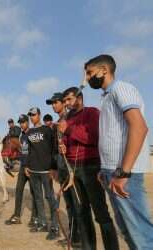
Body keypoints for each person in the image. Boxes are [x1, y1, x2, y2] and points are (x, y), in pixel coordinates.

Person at [84, 54, 153, 249]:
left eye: (90, 73)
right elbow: (112, 135)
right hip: (111, 172)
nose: (87, 78)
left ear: (104, 70)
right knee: (127, 230)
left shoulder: (121, 89)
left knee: (141, 234)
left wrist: (124, 172)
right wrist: (104, 169)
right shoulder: (106, 96)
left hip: (124, 174)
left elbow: (139, 127)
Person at [59, 87, 119, 250]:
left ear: (79, 98)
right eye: (64, 101)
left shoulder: (92, 113)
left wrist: (69, 129)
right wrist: (63, 145)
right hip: (73, 169)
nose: (67, 103)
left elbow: (94, 138)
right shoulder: (67, 118)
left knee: (100, 213)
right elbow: (67, 140)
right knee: (81, 212)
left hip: (90, 166)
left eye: (69, 99)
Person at [46, 92, 80, 247]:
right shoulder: (57, 122)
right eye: (52, 103)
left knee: (76, 203)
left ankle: (78, 237)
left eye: (56, 102)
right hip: (61, 168)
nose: (54, 105)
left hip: (71, 167)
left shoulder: (70, 118)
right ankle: (74, 236)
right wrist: (53, 167)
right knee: (69, 204)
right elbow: (54, 148)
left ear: (63, 103)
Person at [25, 107, 60, 240]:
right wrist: (27, 166)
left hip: (46, 170)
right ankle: (42, 223)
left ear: (39, 115)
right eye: (30, 115)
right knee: (38, 198)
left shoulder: (47, 130)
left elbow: (54, 148)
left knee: (50, 197)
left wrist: (54, 167)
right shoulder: (30, 132)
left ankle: (55, 226)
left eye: (33, 115)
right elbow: (29, 150)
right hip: (33, 170)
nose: (32, 117)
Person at [5, 114, 38, 227]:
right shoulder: (22, 136)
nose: (21, 124)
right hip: (23, 167)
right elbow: (24, 152)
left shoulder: (33, 134)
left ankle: (35, 217)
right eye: (20, 122)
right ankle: (16, 216)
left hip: (32, 168)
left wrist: (30, 165)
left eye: (23, 122)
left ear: (27, 122)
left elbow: (34, 151)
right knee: (18, 190)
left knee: (34, 192)